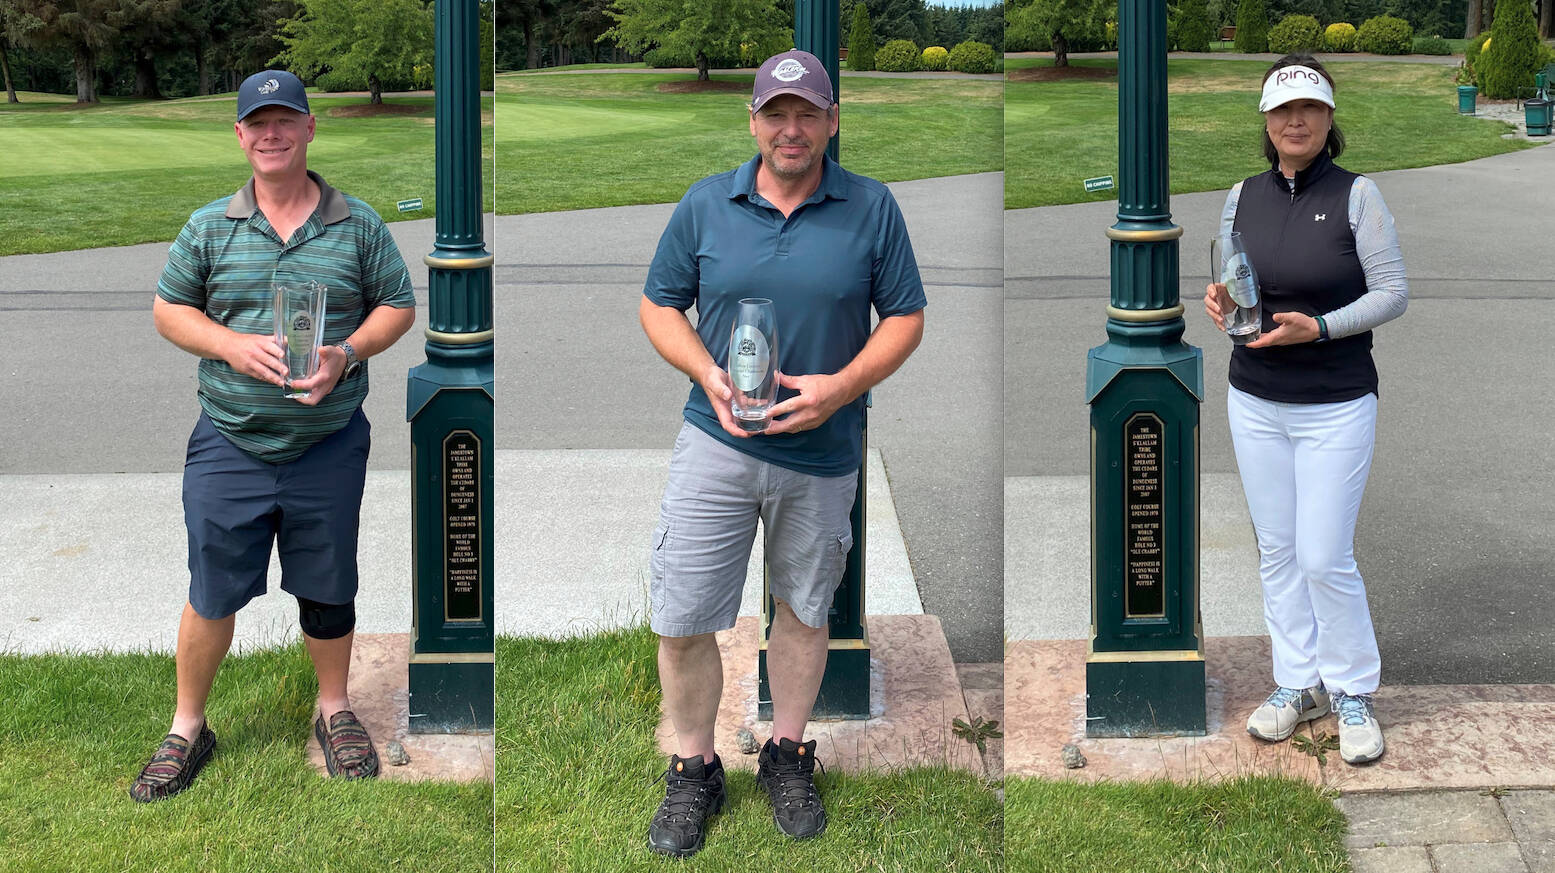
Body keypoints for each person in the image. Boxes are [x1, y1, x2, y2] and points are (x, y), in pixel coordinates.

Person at [637, 49, 926, 857]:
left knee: (803, 611)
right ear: (753, 121)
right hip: (714, 442)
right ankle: (693, 766)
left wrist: (839, 387)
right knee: (684, 615)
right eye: (775, 112)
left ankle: (787, 751)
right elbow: (659, 303)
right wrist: (705, 369)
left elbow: (904, 317)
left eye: (806, 113)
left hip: (824, 449)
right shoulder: (707, 204)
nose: (790, 128)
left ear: (832, 120)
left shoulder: (870, 207)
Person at [132, 70, 417, 801]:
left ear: (309, 127)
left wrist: (345, 353)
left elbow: (396, 306)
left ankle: (335, 708)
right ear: (239, 134)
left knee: (328, 585)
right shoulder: (207, 227)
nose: (271, 133)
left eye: (285, 119)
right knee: (213, 587)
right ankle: (188, 725)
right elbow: (169, 311)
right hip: (231, 439)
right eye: (257, 122)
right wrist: (229, 345)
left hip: (327, 440)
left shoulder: (357, 224)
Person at [1203, 54, 1408, 765]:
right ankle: (1298, 682)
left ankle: (1351, 688)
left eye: (1310, 109)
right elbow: (1233, 277)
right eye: (1283, 109)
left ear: (1328, 119)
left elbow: (1390, 293)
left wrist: (1317, 326)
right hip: (1254, 396)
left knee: (1324, 554)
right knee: (1279, 550)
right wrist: (1220, 301)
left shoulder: (1357, 196)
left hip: (1334, 399)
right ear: (1265, 120)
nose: (1296, 121)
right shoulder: (1240, 195)